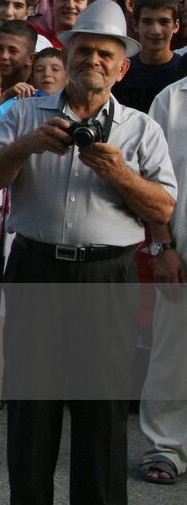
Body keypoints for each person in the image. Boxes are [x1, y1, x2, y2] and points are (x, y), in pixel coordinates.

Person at [0, 0, 175, 505]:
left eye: (106, 54)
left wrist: (120, 173)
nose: (94, 62)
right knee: (32, 409)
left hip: (107, 276)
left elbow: (165, 208)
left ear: (122, 66)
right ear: (66, 54)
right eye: (84, 50)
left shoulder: (140, 128)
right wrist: (28, 146)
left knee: (101, 410)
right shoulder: (24, 114)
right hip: (37, 268)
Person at [138, 67, 187, 485]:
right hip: (181, 251)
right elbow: (153, 182)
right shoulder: (172, 101)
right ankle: (166, 446)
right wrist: (164, 247)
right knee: (172, 354)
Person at [115, 0, 182, 112]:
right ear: (135, 25)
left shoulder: (183, 72)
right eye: (147, 22)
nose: (155, 31)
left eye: (164, 22)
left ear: (176, 26)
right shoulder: (122, 71)